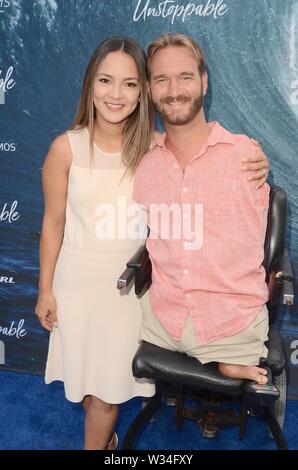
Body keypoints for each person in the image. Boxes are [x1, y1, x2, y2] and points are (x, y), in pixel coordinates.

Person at [35, 35, 268, 450]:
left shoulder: (148, 148)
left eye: (129, 84)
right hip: (75, 288)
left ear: (142, 92)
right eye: (106, 81)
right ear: (90, 83)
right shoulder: (65, 148)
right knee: (87, 383)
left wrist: (256, 157)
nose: (116, 94)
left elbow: (197, 151)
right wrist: (45, 289)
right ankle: (107, 443)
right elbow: (52, 224)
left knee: (107, 392)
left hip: (127, 294)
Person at [133, 33, 272, 385]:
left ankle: (226, 357)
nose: (174, 89)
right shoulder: (145, 164)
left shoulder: (244, 155)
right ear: (149, 90)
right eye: (162, 79)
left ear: (204, 82)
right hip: (161, 319)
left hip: (232, 323)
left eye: (185, 77)